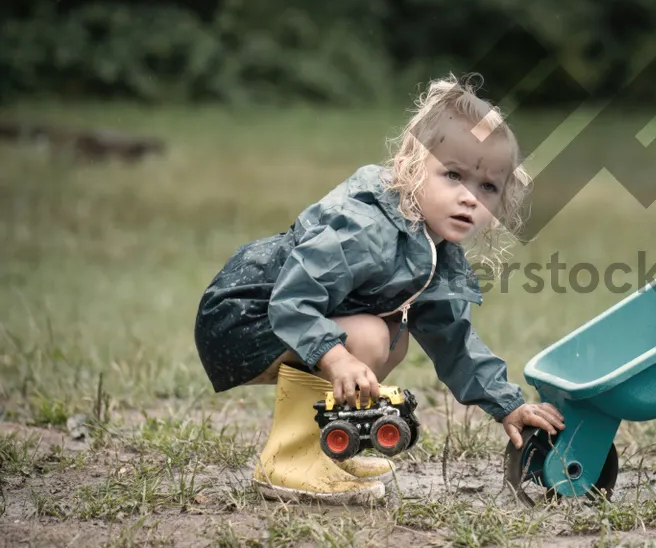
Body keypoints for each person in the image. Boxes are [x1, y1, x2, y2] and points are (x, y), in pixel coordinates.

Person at [193, 74, 565, 504]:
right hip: (243, 316)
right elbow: (292, 299)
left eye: (487, 187)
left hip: (284, 320)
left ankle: (325, 449)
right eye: (453, 176)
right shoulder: (367, 229)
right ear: (411, 166)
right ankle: (289, 462)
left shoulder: (434, 249)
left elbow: (453, 342)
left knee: (395, 337)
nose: (469, 198)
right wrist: (334, 358)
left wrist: (508, 405)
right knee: (370, 336)